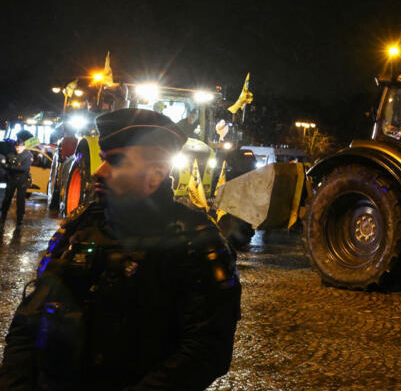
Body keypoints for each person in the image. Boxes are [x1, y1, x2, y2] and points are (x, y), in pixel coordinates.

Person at [0, 108, 241, 390]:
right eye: (102, 160)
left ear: (156, 173)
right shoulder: (82, 225)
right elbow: (28, 321)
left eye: (115, 162)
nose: (99, 172)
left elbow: (205, 351)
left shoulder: (196, 242)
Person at [0, 130, 35, 228]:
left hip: (22, 180)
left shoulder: (27, 155)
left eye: (19, 147)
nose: (17, 148)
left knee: (20, 201)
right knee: (7, 199)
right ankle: (3, 216)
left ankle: (20, 220)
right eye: (16, 146)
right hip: (12, 179)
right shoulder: (11, 154)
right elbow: (4, 164)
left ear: (23, 146)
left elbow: (24, 168)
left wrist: (10, 167)